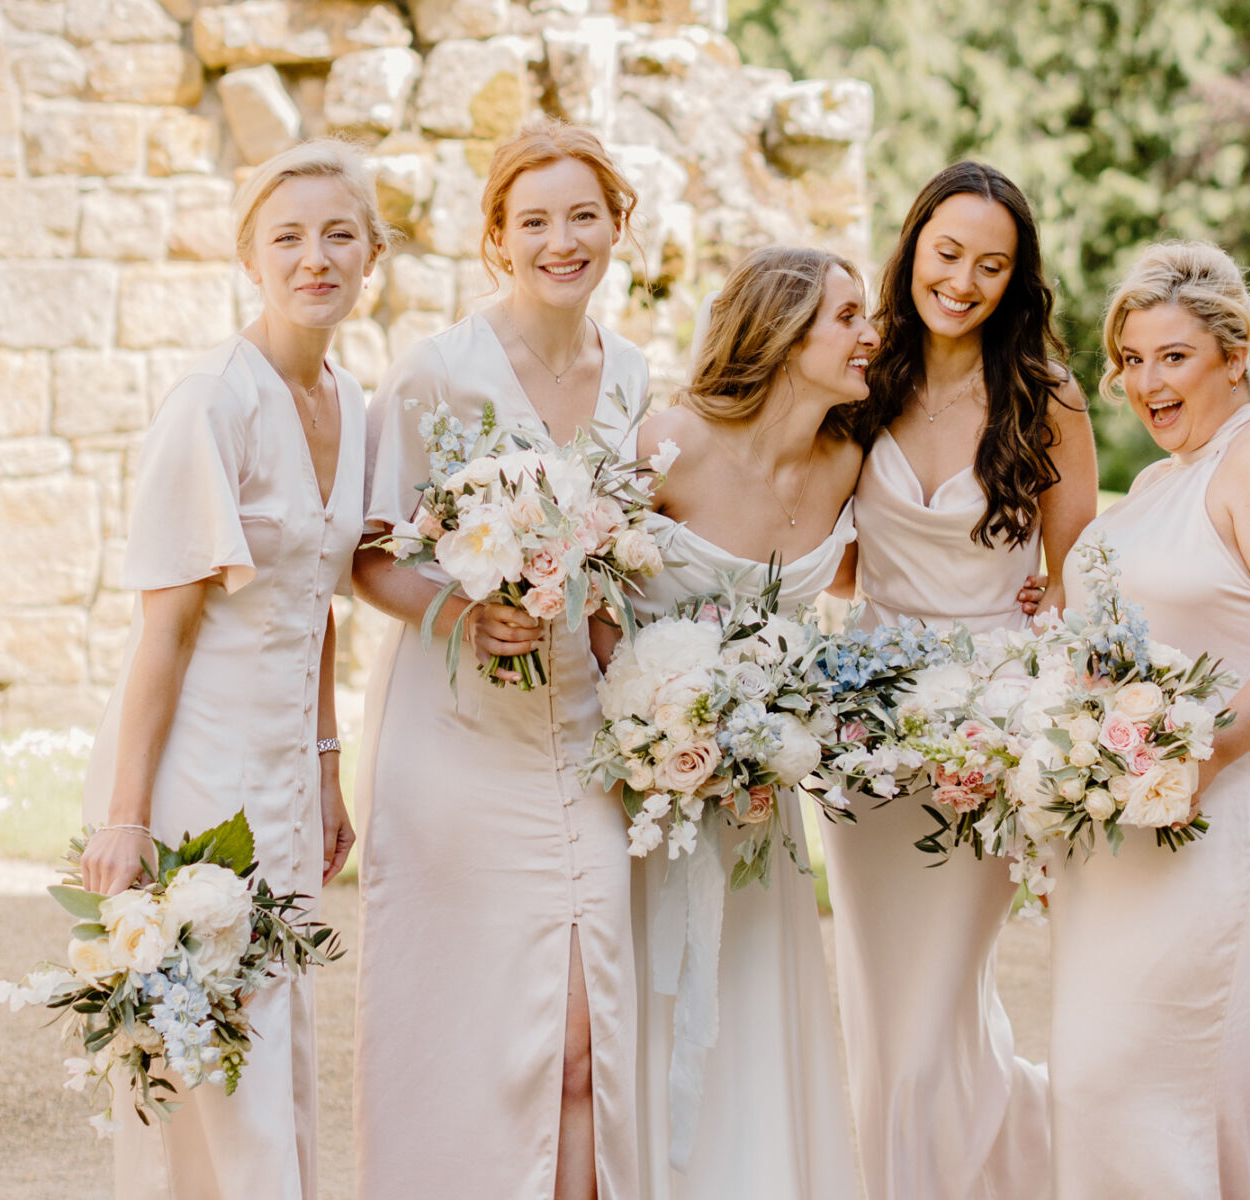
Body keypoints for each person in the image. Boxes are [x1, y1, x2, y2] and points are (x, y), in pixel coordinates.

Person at [78, 137, 387, 1200]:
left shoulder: (358, 404)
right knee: (212, 1060)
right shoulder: (211, 401)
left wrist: (330, 767)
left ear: (371, 255)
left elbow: (317, 605)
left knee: (274, 1051)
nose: (316, 258)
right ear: (249, 257)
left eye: (339, 235)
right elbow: (160, 632)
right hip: (198, 774)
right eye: (289, 238)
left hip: (286, 781)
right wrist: (125, 819)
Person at [350, 116, 648, 1200]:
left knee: (584, 1043)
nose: (561, 241)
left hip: (584, 742)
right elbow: (369, 560)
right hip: (460, 746)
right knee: (465, 1040)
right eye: (534, 222)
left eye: (583, 215)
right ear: (497, 240)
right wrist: (460, 616)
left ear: (621, 225)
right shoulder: (438, 372)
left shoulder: (638, 381)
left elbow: (634, 568)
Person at [1048, 242, 1250, 1199]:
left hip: (1211, 821)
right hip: (1116, 833)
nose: (1146, 383)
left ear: (1232, 353)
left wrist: (1204, 755)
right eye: (1131, 361)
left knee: (1161, 1080)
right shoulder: (1154, 486)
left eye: (1172, 356)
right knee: (1098, 1078)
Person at [821, 160, 1096, 1200]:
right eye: (948, 254)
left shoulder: (1047, 396)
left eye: (993, 264)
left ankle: (983, 1167)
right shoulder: (863, 370)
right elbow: (826, 545)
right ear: (912, 249)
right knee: (884, 1004)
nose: (965, 280)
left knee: (938, 996)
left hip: (992, 728)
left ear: (1016, 278)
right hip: (866, 721)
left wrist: (1040, 615)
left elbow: (1082, 573)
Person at [628, 245, 876, 1199]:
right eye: (847, 317)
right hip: (644, 797)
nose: (870, 335)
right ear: (781, 332)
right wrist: (655, 719)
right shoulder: (669, 443)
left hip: (760, 800)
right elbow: (586, 600)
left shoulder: (847, 462)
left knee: (758, 1006)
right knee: (656, 1009)